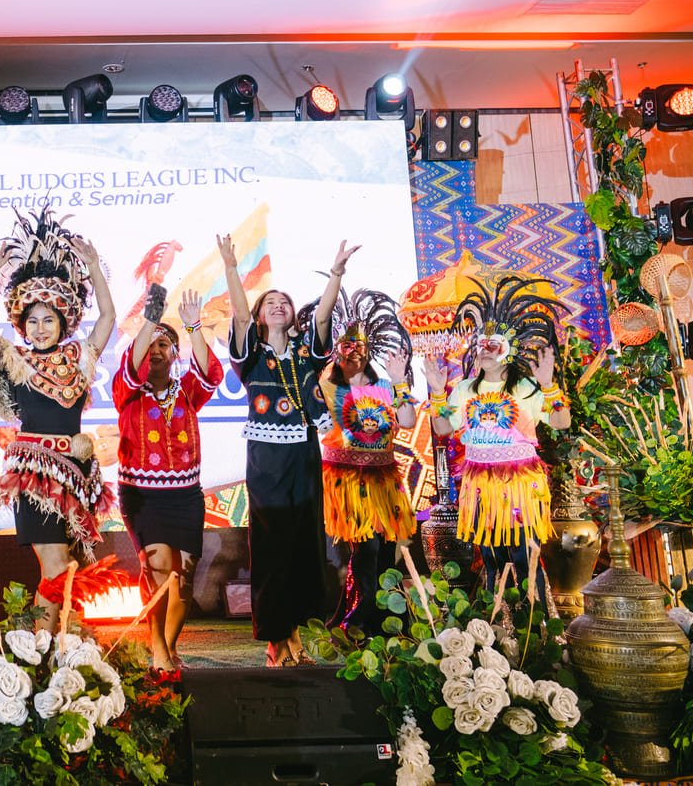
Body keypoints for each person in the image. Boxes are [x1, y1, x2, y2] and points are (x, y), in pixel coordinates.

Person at [0, 206, 116, 632]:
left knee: (69, 565)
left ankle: (60, 642)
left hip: (77, 474)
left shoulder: (79, 357)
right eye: (33, 321)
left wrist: (94, 267)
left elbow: (108, 318)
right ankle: (45, 645)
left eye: (49, 320)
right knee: (57, 564)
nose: (41, 328)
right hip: (34, 475)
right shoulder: (15, 359)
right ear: (23, 326)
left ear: (62, 322)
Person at [219, 234, 357, 667]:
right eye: (270, 302)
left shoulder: (305, 353)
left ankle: (297, 633)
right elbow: (239, 315)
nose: (278, 305)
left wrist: (335, 273)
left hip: (304, 453)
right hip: (266, 459)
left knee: (304, 544)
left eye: (285, 302)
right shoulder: (250, 355)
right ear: (261, 315)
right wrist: (231, 268)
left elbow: (324, 315)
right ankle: (275, 639)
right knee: (272, 545)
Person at [423, 275, 571, 593]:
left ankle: (533, 616)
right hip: (481, 487)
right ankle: (495, 619)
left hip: (519, 486)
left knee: (525, 558)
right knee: (491, 560)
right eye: (480, 344)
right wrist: (437, 393)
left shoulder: (524, 386)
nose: (484, 350)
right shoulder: (464, 389)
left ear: (509, 350)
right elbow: (443, 428)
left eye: (493, 345)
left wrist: (549, 386)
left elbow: (561, 422)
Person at [114, 285, 223, 672]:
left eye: (165, 344)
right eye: (151, 345)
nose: (157, 350)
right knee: (159, 566)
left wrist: (193, 327)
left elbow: (210, 372)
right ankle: (158, 647)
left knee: (184, 575)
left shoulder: (188, 391)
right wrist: (150, 321)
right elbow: (132, 364)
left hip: (186, 496)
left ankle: (170, 645)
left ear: (176, 354)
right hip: (142, 496)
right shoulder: (127, 391)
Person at [317, 288, 416, 634]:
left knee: (385, 551)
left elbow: (407, 421)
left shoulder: (385, 385)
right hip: (348, 481)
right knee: (366, 549)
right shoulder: (326, 387)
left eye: (360, 344)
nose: (354, 350)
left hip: (383, 480)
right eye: (347, 344)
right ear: (336, 348)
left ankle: (381, 618)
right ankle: (362, 619)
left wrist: (401, 382)